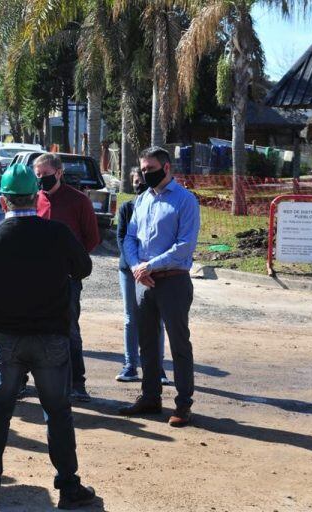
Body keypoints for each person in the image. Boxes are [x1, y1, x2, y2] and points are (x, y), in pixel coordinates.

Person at [0, 163, 96, 509]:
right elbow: (84, 268)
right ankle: (68, 487)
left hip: (6, 340)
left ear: (4, 201)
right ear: (36, 195)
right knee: (58, 412)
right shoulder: (58, 234)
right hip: (51, 339)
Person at [119, 146, 200, 428]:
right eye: (142, 170)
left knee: (179, 344)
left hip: (173, 280)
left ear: (166, 168)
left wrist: (148, 266)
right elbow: (130, 238)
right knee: (147, 343)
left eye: (150, 169)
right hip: (144, 281)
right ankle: (150, 397)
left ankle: (183, 405)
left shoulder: (185, 201)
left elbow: (184, 246)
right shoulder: (142, 200)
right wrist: (135, 267)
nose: (145, 174)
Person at [34, 153, 100, 402]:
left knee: (69, 330)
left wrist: (73, 263)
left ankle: (77, 383)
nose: (41, 180)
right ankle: (31, 381)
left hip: (67, 279)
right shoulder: (33, 199)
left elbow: (91, 238)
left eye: (45, 175)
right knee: (34, 329)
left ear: (59, 173)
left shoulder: (78, 201)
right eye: (37, 175)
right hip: (37, 279)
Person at [116, 168, 169, 384]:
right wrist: (136, 266)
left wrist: (149, 266)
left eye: (143, 180)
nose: (140, 184)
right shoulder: (127, 207)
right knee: (131, 318)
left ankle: (158, 368)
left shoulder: (163, 207)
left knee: (157, 320)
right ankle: (130, 365)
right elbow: (122, 238)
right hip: (129, 270)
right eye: (136, 181)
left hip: (154, 270)